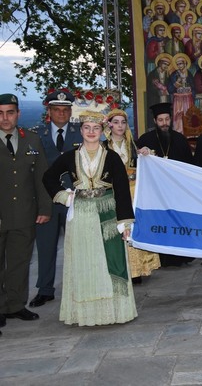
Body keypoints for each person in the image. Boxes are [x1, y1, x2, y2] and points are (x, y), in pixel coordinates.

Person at [42, 111, 137, 326]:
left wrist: (125, 223)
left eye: (95, 128)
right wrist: (64, 196)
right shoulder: (70, 156)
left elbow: (121, 190)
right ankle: (86, 313)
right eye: (87, 128)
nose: (91, 132)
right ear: (81, 130)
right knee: (84, 261)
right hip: (81, 216)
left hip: (107, 213)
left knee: (108, 263)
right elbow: (48, 177)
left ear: (102, 131)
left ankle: (115, 312)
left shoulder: (111, 157)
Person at [0, 93, 51, 327]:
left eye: (10, 112)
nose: (5, 118)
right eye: (0, 113)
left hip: (23, 212)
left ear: (18, 114)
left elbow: (41, 177)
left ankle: (16, 305)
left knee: (20, 262)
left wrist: (45, 208)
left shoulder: (31, 139)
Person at [29, 90, 82, 308]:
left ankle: (79, 286)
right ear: (49, 112)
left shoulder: (81, 132)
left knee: (78, 245)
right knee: (46, 245)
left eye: (65, 110)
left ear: (70, 112)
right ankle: (45, 289)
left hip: (75, 199)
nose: (61, 114)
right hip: (47, 200)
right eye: (56, 110)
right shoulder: (36, 134)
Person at [104, 109, 161, 284]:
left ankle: (137, 270)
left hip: (133, 191)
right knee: (117, 229)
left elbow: (147, 163)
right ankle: (120, 267)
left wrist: (147, 153)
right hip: (114, 192)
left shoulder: (133, 145)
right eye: (116, 122)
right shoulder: (103, 147)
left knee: (133, 228)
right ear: (110, 125)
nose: (120, 126)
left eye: (123, 122)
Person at [137, 102, 194, 267]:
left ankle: (178, 257)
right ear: (155, 121)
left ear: (171, 119)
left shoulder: (180, 140)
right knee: (159, 223)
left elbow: (189, 166)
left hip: (176, 192)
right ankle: (159, 259)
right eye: (160, 120)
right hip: (154, 192)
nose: (164, 123)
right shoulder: (145, 141)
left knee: (176, 223)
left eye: (167, 119)